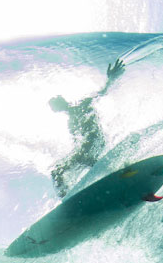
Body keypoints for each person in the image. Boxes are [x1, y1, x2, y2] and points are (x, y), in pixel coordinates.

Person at [48, 59, 126, 197]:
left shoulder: (82, 104)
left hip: (95, 143)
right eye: (53, 107)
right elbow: (77, 141)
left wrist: (111, 78)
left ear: (61, 100)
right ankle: (68, 197)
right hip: (87, 148)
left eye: (54, 104)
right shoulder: (70, 120)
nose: (54, 108)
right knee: (57, 171)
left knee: (61, 169)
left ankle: (121, 173)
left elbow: (102, 92)